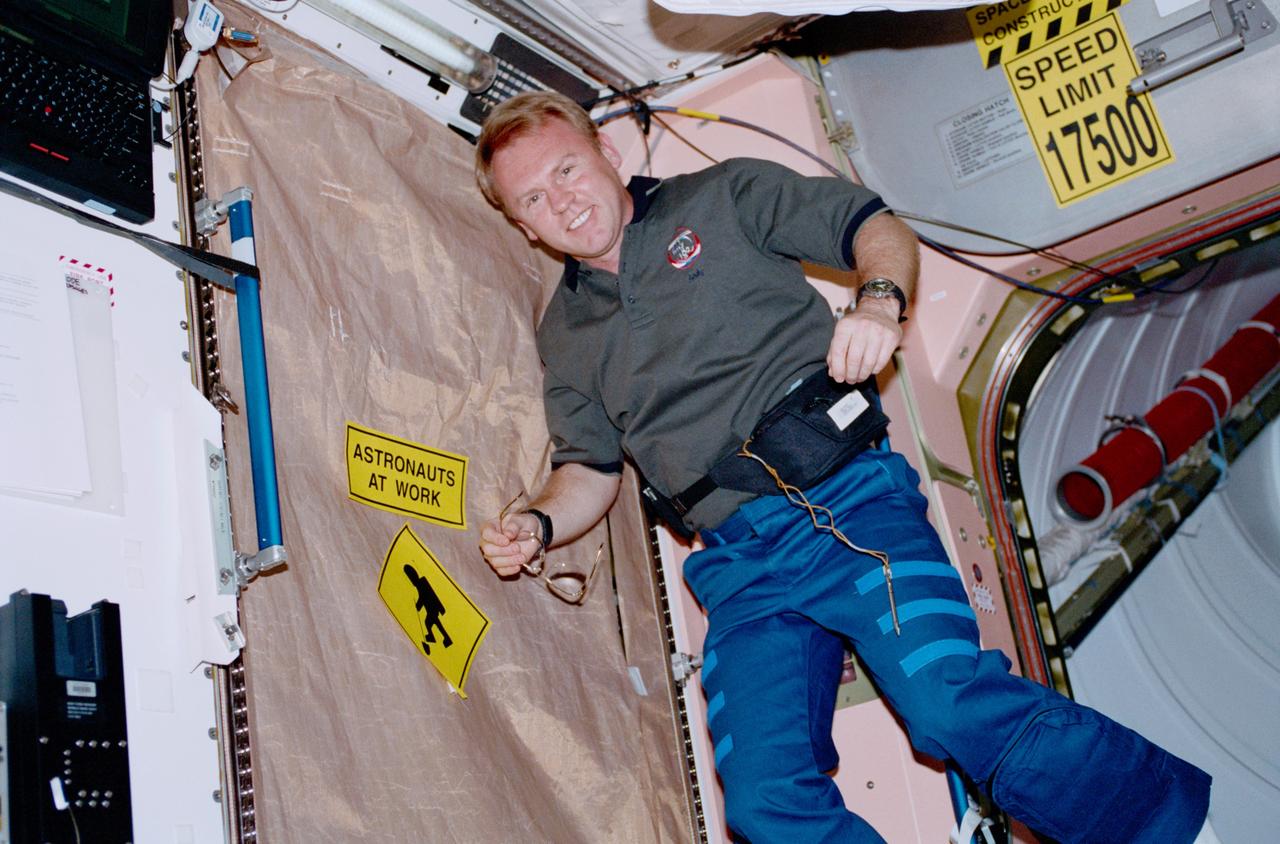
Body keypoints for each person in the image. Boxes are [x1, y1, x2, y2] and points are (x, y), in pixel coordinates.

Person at [474, 90, 1211, 843]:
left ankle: (1163, 825)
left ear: (607, 153)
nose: (561, 202)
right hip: (738, 569)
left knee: (946, 703)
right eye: (534, 197)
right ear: (521, 225)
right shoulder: (563, 337)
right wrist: (538, 520)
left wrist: (880, 304)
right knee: (764, 804)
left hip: (845, 500)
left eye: (567, 170)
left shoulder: (724, 194)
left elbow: (873, 228)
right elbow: (589, 471)